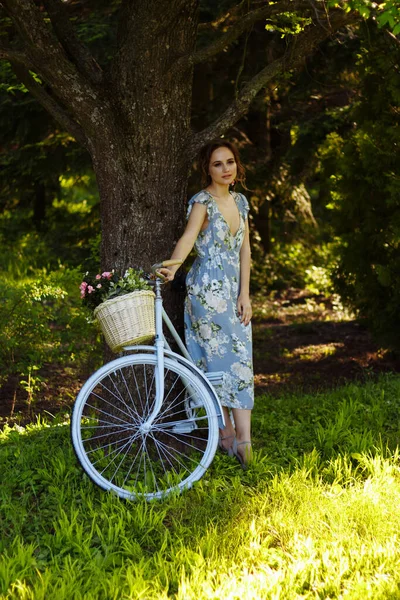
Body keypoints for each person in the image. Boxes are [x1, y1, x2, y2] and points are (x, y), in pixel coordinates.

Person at [159, 140, 254, 467]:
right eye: (218, 164)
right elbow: (188, 238)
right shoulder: (202, 202)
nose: (226, 168)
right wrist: (171, 267)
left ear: (237, 166)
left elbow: (245, 251)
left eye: (230, 162)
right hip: (206, 291)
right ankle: (225, 434)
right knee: (215, 364)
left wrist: (245, 294)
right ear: (208, 169)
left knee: (241, 361)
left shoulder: (240, 202)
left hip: (233, 292)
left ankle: (244, 441)